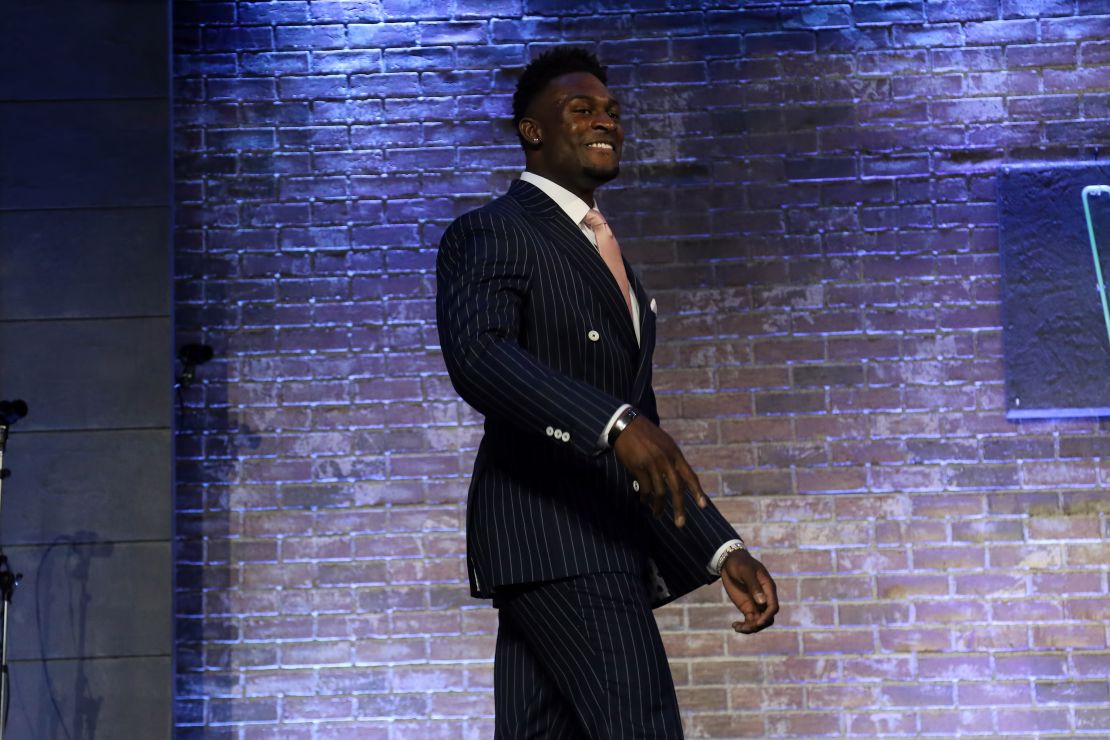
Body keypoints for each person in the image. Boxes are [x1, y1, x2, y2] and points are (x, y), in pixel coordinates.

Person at [436, 47, 779, 738]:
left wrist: (720, 549)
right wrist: (615, 424)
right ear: (532, 131)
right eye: (582, 109)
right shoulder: (493, 231)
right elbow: (481, 357)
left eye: (614, 112)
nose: (607, 122)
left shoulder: (601, 249)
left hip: (577, 546)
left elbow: (643, 436)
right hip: (560, 537)